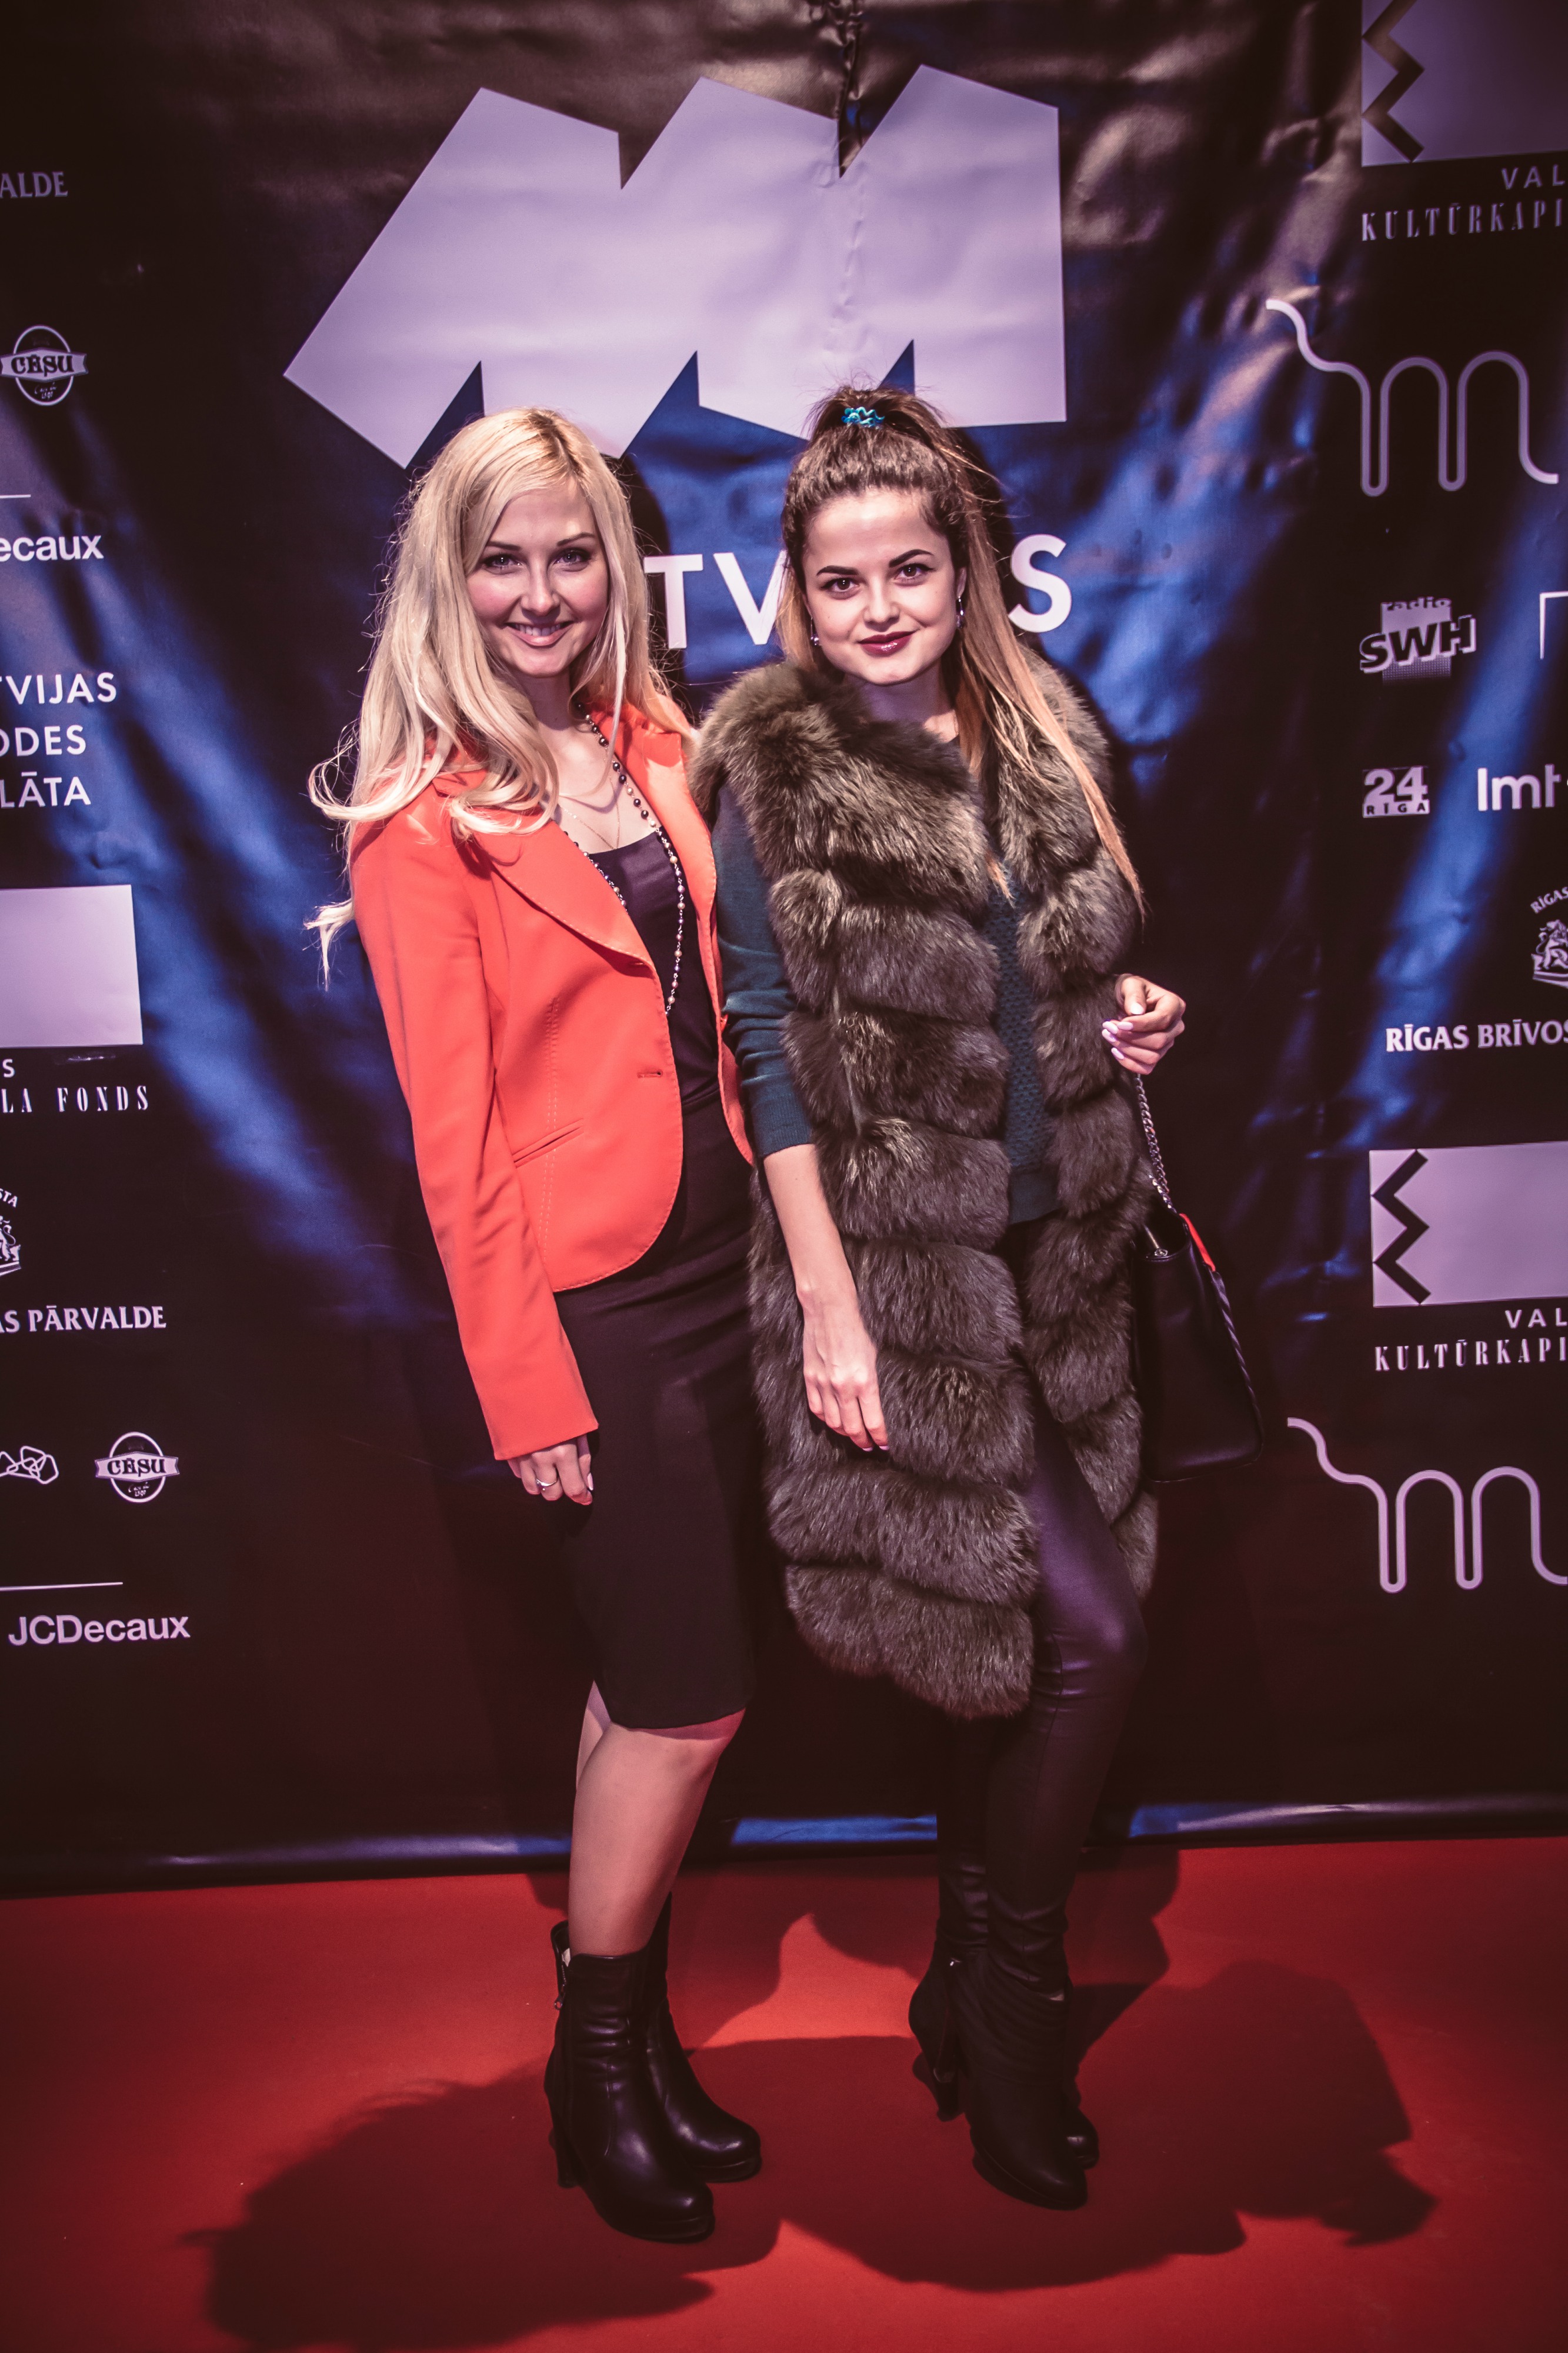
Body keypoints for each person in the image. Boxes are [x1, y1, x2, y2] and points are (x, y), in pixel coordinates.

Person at [692, 386, 1185, 2210]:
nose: (879, 608)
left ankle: (961, 1979)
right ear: (798, 597)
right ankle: (1014, 2004)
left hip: (1063, 1266)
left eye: (909, 570)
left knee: (1014, 1654)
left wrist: (1134, 1016)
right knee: (1089, 1640)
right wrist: (831, 1309)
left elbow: (1073, 972)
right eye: (841, 583)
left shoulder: (1046, 734)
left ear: (965, 570)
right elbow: (764, 1056)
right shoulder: (773, 775)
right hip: (904, 1285)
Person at [311, 408, 762, 2245]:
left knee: (636, 1683)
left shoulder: (655, 744)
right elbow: (458, 1141)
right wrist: (525, 1383)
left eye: (571, 552)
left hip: (737, 1258)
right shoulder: (418, 824)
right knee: (688, 1696)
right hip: (600, 1303)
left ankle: (630, 2048)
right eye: (501, 557)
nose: (540, 590)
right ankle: (592, 2065)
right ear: (449, 577)